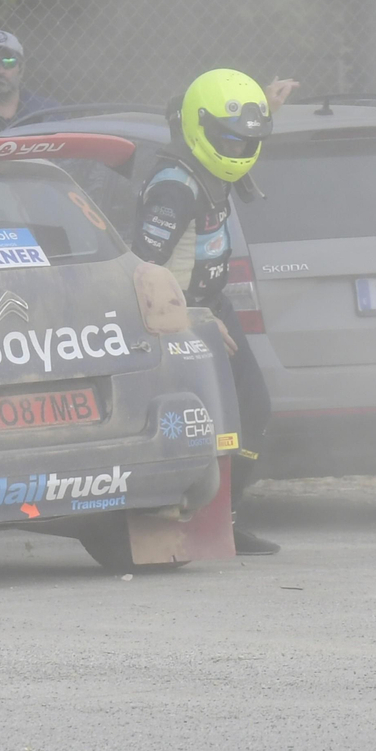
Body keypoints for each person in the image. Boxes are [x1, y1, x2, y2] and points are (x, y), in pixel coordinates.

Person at [130, 68, 278, 556]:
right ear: (199, 129)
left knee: (251, 407)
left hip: (213, 307)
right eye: (229, 142)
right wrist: (196, 320)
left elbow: (228, 127)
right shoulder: (175, 184)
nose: (237, 152)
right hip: (180, 318)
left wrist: (266, 107)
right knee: (203, 421)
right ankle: (190, 523)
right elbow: (145, 270)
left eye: (246, 143)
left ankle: (226, 518)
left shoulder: (211, 155)